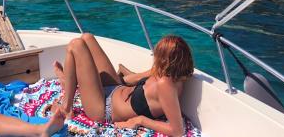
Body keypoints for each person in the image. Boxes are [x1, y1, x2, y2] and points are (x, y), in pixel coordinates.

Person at [53, 34, 193, 137]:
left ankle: (66, 107)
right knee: (87, 38)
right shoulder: (168, 73)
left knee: (76, 45)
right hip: (115, 88)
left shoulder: (165, 84)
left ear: (165, 59)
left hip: (103, 108)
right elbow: (141, 78)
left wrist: (140, 120)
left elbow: (177, 131)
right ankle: (70, 81)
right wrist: (124, 77)